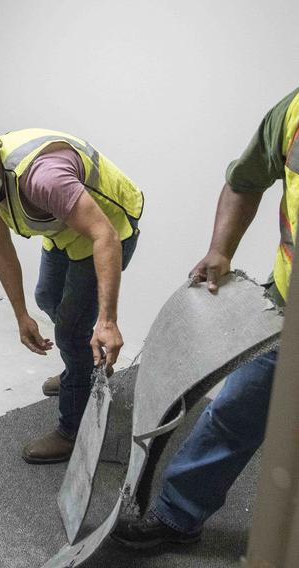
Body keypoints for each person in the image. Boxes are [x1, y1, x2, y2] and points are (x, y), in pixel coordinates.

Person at [113, 86, 299, 550]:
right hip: (286, 302)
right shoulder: (294, 111)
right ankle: (178, 516)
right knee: (237, 410)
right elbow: (246, 181)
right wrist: (220, 250)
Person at [0, 127, 143, 463]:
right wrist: (20, 315)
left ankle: (73, 430)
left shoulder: (44, 179)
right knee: (47, 296)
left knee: (72, 331)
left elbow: (104, 236)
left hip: (108, 227)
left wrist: (108, 321)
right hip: (61, 227)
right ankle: (83, 370)